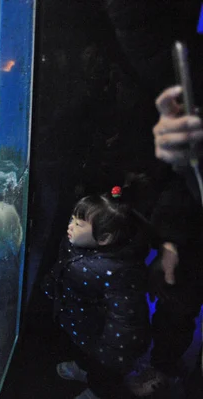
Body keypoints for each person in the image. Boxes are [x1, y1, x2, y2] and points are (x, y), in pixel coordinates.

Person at [42, 185, 152, 399]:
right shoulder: (76, 243)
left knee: (104, 375)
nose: (70, 226)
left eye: (78, 223)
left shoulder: (120, 272)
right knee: (83, 352)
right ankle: (84, 368)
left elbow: (126, 319)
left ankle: (97, 391)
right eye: (72, 219)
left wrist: (114, 354)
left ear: (104, 238)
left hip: (106, 341)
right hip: (81, 326)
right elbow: (61, 268)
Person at [130, 86, 203, 397]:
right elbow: (180, 185)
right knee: (176, 308)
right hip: (192, 243)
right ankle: (165, 365)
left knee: (177, 308)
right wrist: (169, 243)